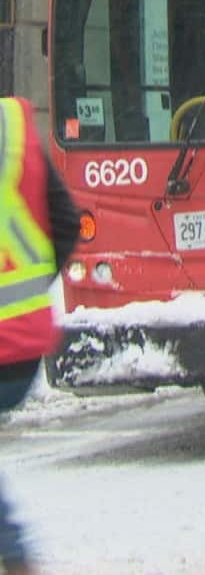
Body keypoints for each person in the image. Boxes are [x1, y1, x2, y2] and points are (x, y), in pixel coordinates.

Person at [0, 96, 80, 574]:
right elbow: (67, 222)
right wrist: (25, 298)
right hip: (25, 347)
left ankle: (14, 554)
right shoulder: (15, 129)